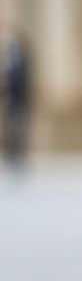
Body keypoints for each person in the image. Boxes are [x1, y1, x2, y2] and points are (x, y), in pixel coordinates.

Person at [1, 24, 33, 172]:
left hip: (19, 100)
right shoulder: (10, 61)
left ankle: (18, 156)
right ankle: (12, 156)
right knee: (12, 128)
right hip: (11, 101)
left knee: (18, 127)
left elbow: (23, 82)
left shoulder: (22, 60)